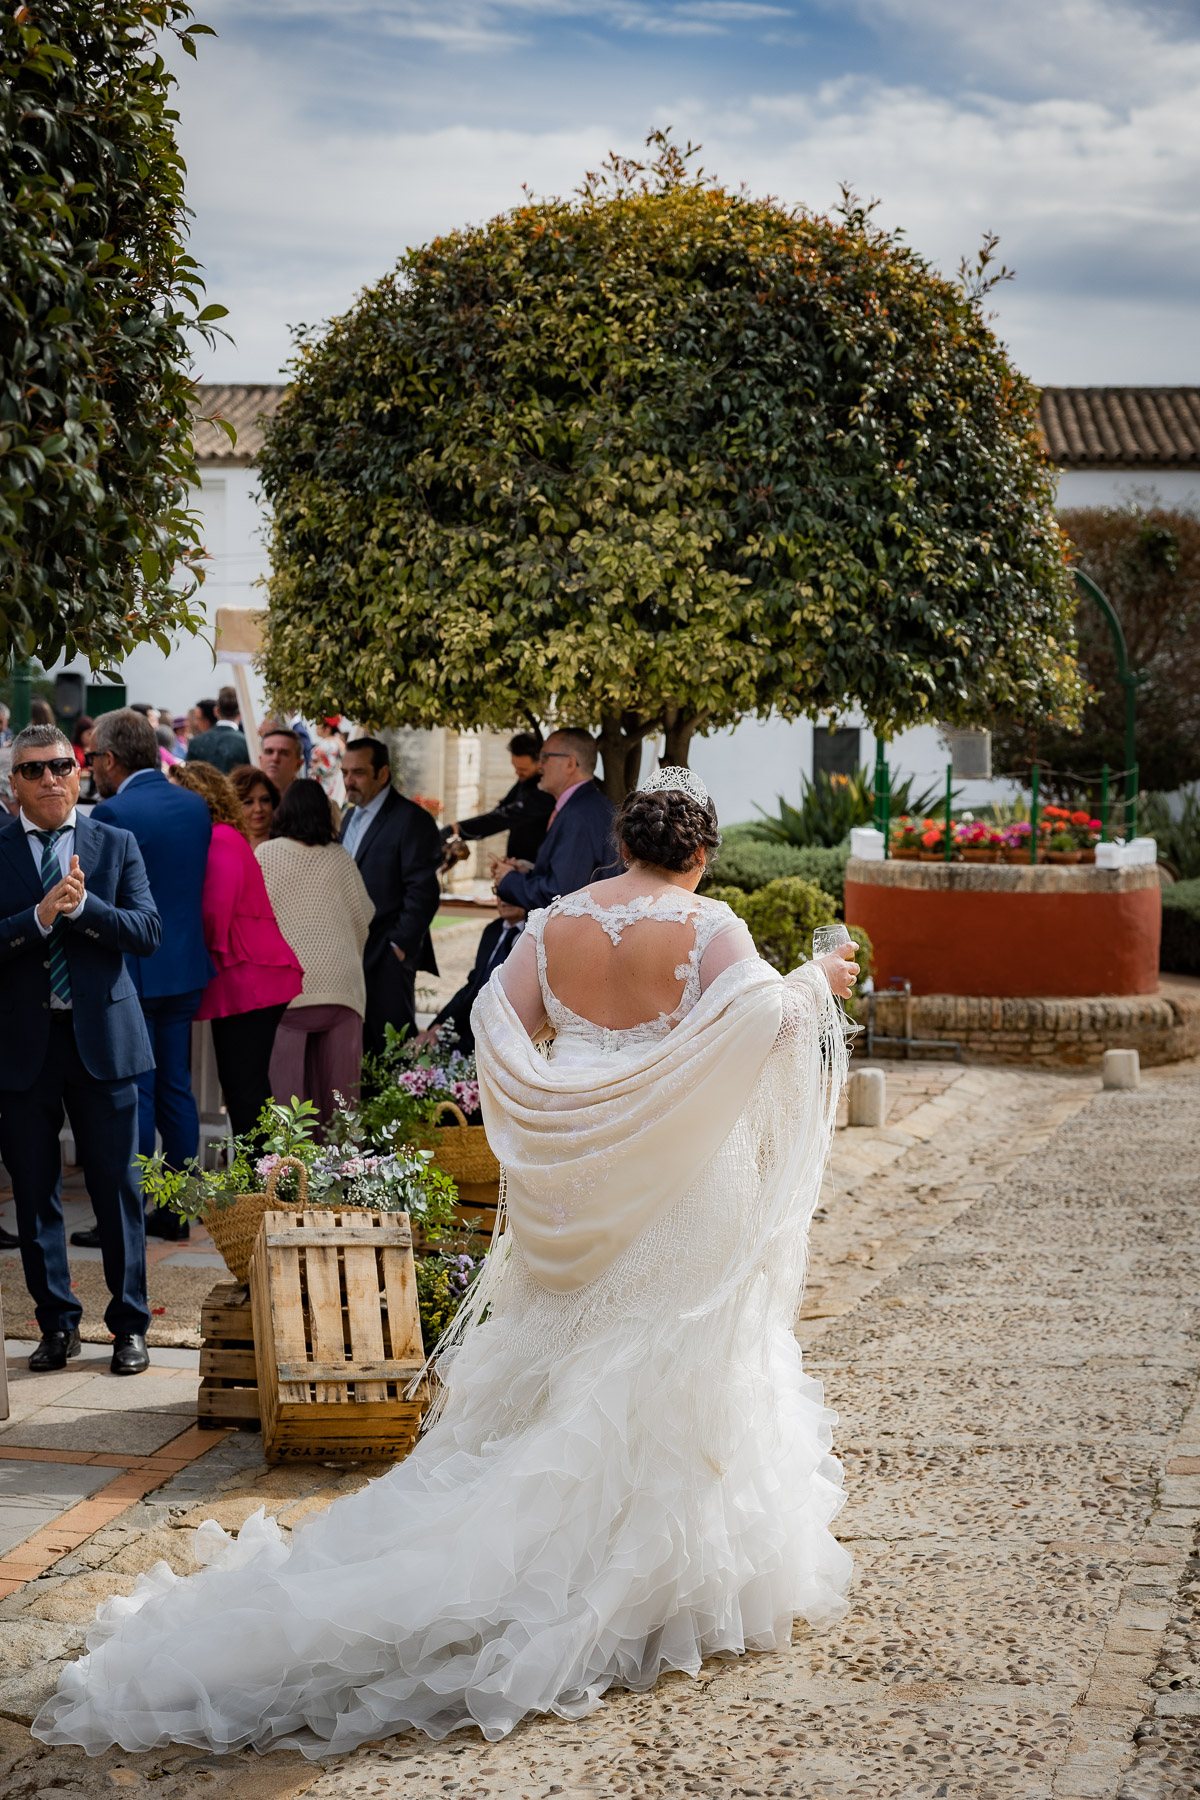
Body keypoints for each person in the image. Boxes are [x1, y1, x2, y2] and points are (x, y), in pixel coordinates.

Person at [32, 766, 858, 1752]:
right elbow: (768, 1024)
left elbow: (498, 1023)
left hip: (579, 1178)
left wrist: (555, 1105)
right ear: (703, 854)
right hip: (677, 1181)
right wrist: (822, 983)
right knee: (661, 1352)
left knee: (568, 1345)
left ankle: (574, 1539)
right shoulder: (714, 927)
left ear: (622, 845)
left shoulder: (556, 922)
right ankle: (647, 1567)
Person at [0, 724, 161, 1376]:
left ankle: (129, 1328)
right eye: (34, 769)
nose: (50, 779)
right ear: (13, 783)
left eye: (61, 765)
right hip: (21, 1049)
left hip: (105, 1044)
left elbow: (146, 932)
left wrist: (84, 907)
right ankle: (57, 1324)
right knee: (34, 1194)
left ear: (80, 771)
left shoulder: (114, 843)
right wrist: (38, 918)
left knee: (117, 1189)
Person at [85, 709, 213, 1244]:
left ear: (111, 759)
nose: (89, 768)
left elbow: (101, 898)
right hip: (185, 967)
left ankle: (127, 1214)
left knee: (134, 1092)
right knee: (177, 1090)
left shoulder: (112, 812)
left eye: (91, 759)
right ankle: (179, 1209)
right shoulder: (195, 806)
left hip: (133, 969)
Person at [171, 764, 303, 1142]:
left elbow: (215, 913)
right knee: (247, 1089)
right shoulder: (223, 836)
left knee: (245, 1091)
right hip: (249, 978)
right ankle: (265, 1181)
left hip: (250, 979)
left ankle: (263, 1186)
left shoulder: (222, 838)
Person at [257, 779, 374, 1123]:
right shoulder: (341, 857)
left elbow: (256, 919)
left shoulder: (266, 853)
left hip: (289, 990)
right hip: (344, 987)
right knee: (342, 1101)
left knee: (288, 1103)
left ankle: (290, 1172)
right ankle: (344, 1172)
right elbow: (364, 916)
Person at [339, 737, 442, 1055]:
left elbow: (423, 892)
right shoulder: (349, 817)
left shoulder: (412, 820)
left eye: (357, 772)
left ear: (382, 774)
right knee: (355, 1052)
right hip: (350, 955)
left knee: (391, 1054)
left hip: (387, 958)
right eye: (344, 772)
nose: (348, 780)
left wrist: (398, 948)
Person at [493, 729, 617, 912]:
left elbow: (561, 895)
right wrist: (528, 872)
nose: (540, 765)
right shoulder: (583, 806)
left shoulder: (580, 814)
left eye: (545, 757)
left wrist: (509, 879)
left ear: (570, 764)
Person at [415, 897, 525, 1058]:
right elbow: (473, 986)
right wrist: (438, 1026)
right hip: (472, 1033)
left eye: (509, 890)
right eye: (498, 891)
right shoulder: (493, 930)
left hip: (511, 1041)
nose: (504, 899)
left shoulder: (535, 935)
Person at [444, 731, 554, 867]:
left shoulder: (548, 789)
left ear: (540, 763)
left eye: (522, 769)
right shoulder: (526, 781)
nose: (517, 773)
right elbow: (501, 810)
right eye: (515, 767)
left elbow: (505, 816)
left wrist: (458, 829)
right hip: (517, 862)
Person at [186, 687, 249, 775]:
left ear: (216, 711)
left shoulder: (195, 743)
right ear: (240, 715)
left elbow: (188, 779)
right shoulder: (247, 744)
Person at [229, 765, 280, 850]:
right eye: (248, 802)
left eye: (265, 800)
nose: (258, 809)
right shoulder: (228, 851)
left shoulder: (291, 843)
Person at [258, 725, 304, 797]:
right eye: (269, 752)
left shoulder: (312, 801)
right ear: (260, 760)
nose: (275, 758)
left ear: (299, 764)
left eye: (284, 753)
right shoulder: (246, 799)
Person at [310, 717, 346, 806]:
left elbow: (329, 766)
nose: (316, 729)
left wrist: (314, 768)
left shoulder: (330, 744)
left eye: (319, 727)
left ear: (327, 729)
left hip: (324, 784)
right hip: (328, 782)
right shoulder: (335, 742)